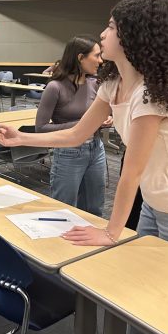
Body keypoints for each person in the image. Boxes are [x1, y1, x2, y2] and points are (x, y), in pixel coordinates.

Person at [0, 0, 168, 334]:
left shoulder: (154, 92)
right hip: (155, 203)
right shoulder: (112, 84)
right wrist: (21, 138)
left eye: (110, 27)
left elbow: (131, 169)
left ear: (133, 37)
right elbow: (75, 134)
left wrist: (111, 232)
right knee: (143, 290)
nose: (103, 34)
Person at [35, 36, 108, 216]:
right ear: (80, 58)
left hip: (96, 149)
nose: (100, 60)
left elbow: (100, 114)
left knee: (94, 208)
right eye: (96, 56)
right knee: (64, 209)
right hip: (68, 152)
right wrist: (83, 125)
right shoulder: (55, 87)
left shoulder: (95, 83)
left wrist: (105, 119)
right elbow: (40, 128)